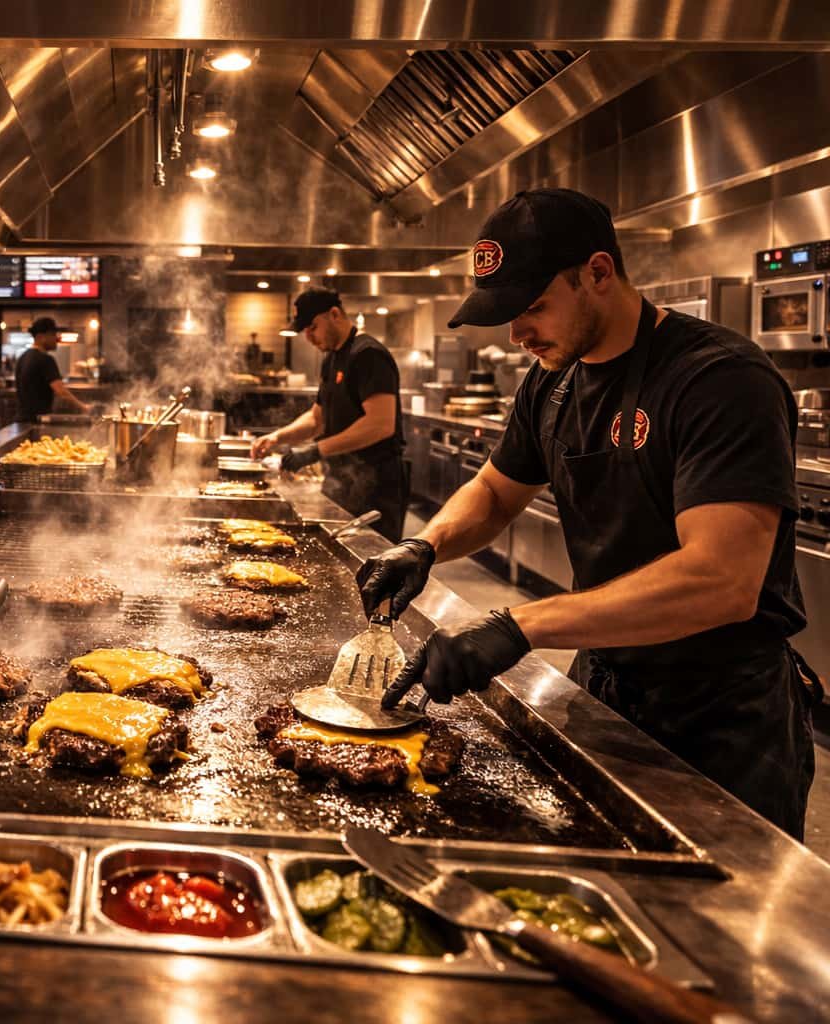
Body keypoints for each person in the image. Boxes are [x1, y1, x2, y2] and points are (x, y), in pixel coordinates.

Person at [360, 188, 815, 839]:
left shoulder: (719, 381)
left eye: (533, 308)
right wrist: (425, 546)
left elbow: (722, 580)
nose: (516, 335)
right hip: (603, 688)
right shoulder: (554, 382)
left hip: (721, 721)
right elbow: (493, 492)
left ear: (599, 273)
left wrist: (519, 626)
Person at [250, 289, 408, 541]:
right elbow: (317, 418)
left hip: (374, 484)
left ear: (334, 314)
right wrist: (276, 437)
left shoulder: (368, 354)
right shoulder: (332, 359)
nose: (309, 337)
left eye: (312, 327)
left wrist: (315, 451)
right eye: (305, 331)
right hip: (341, 479)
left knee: (372, 564)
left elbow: (380, 424)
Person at [15, 317, 88, 422]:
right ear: (41, 337)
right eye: (53, 334)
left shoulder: (22, 357)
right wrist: (83, 407)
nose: (56, 339)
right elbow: (61, 392)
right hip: (37, 421)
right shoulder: (45, 359)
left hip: (21, 421)